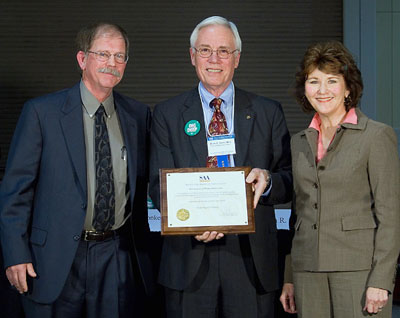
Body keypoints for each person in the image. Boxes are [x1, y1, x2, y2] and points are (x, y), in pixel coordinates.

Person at [0, 22, 155, 317]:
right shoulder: (41, 113)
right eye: (103, 54)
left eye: (120, 56)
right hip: (54, 259)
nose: (112, 64)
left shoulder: (138, 115)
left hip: (117, 254)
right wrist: (15, 254)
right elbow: (15, 190)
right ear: (82, 59)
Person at [149, 16, 292, 318]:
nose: (214, 59)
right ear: (192, 56)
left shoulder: (268, 112)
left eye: (224, 51)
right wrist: (195, 222)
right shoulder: (166, 114)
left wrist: (267, 179)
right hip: (187, 260)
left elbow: (289, 180)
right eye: (205, 50)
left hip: (250, 261)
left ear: (237, 58)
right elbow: (154, 184)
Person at [279, 41, 400, 317]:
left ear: (348, 87)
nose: (322, 90)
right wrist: (289, 275)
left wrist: (381, 279)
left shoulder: (376, 137)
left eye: (332, 81)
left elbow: (390, 216)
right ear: (304, 88)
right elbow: (297, 215)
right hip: (307, 272)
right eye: (314, 81)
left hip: (359, 271)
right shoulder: (298, 141)